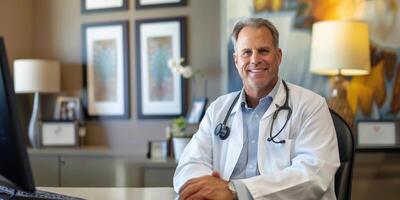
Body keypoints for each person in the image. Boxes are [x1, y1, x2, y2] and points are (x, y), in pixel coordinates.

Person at [173, 17, 340, 200]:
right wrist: (204, 189)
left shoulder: (311, 105)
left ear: (278, 56)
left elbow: (312, 175)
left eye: (263, 51)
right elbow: (190, 163)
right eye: (246, 52)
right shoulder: (218, 109)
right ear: (236, 60)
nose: (255, 59)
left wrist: (235, 192)